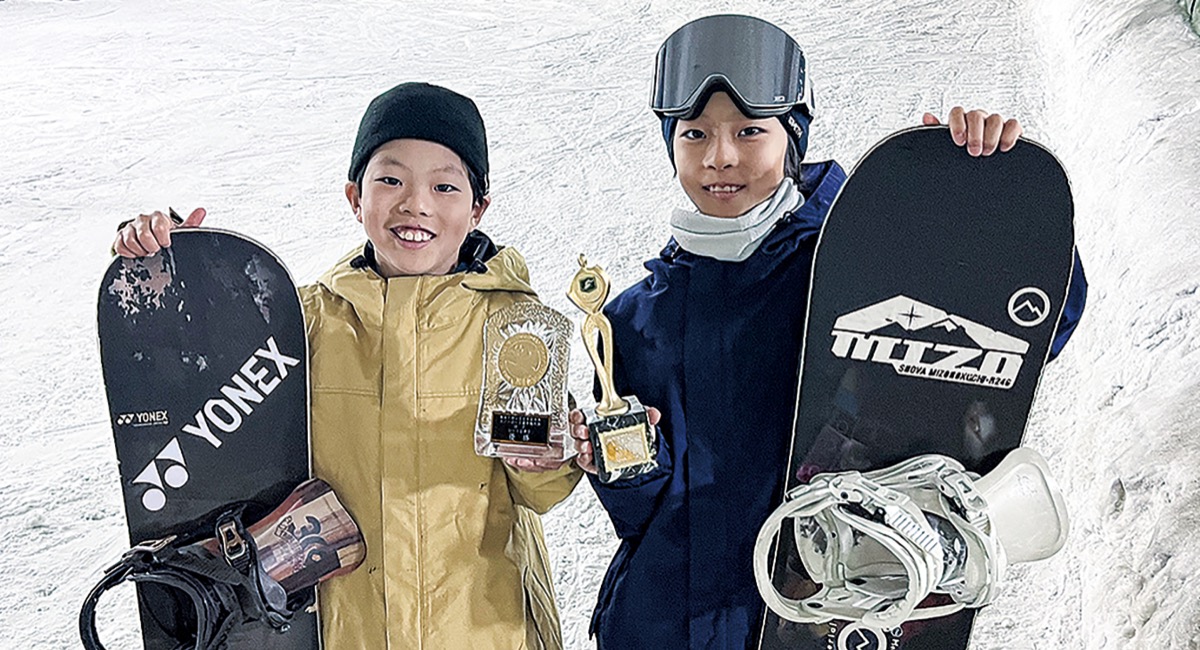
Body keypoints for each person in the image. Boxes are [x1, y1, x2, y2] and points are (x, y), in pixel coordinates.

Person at [568, 14, 1088, 649]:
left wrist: (981, 203)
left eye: (749, 131)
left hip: (820, 620)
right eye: (694, 134)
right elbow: (643, 517)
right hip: (668, 628)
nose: (719, 156)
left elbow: (1030, 328)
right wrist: (623, 466)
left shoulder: (859, 263)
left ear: (793, 138)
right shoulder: (632, 320)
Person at [113, 82, 581, 649]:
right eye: (391, 180)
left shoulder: (514, 330)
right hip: (346, 631)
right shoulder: (303, 323)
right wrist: (178, 271)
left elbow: (540, 488)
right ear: (355, 197)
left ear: (477, 208)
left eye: (444, 186)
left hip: (484, 628)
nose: (416, 204)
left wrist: (547, 460)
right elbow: (202, 379)